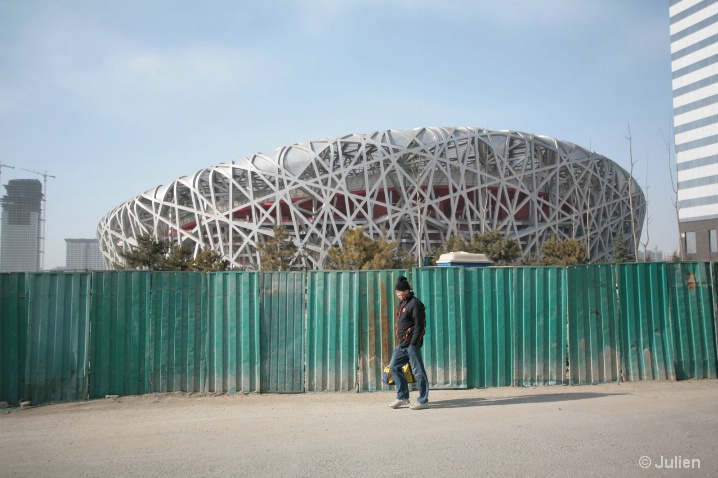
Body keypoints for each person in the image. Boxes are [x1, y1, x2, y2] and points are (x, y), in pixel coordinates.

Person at [388, 276, 429, 410]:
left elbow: (420, 325)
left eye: (399, 292)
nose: (397, 295)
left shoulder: (415, 303)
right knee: (394, 367)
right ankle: (403, 397)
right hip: (401, 344)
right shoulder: (402, 303)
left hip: (412, 345)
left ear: (406, 291)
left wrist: (414, 342)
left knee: (418, 372)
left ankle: (423, 400)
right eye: (396, 293)